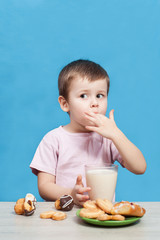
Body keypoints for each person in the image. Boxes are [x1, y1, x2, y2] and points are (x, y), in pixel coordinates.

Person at [30, 59, 146, 206]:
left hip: (100, 216)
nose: (94, 103)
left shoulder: (108, 139)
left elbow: (140, 167)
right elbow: (44, 187)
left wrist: (116, 134)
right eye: (83, 96)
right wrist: (71, 194)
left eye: (100, 95)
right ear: (65, 104)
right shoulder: (53, 139)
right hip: (65, 218)